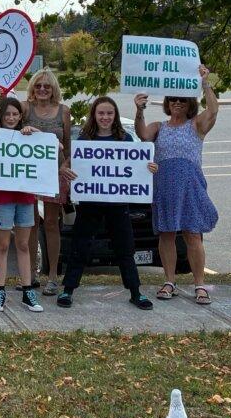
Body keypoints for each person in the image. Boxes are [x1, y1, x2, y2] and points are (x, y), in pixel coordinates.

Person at [59, 97, 155, 310]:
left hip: (118, 203)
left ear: (115, 116)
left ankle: (135, 292)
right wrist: (64, 169)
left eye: (109, 113)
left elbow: (139, 165)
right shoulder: (84, 140)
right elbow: (67, 165)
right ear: (94, 115)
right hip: (90, 202)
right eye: (101, 113)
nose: (105, 117)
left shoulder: (125, 139)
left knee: (125, 248)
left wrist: (148, 169)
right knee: (80, 246)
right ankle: (68, 289)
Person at [134, 64, 219, 305]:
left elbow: (213, 111)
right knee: (167, 234)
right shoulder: (159, 127)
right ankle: (169, 280)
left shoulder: (196, 125)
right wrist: (139, 110)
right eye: (173, 99)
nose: (177, 103)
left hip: (190, 186)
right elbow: (142, 134)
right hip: (164, 187)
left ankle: (199, 284)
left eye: (182, 99)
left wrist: (205, 83)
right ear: (168, 103)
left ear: (190, 102)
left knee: (193, 234)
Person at [0, 97, 45, 314]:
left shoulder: (27, 136)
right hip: (2, 197)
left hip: (25, 197)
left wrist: (35, 131)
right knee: (2, 244)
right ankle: (0, 291)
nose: (11, 118)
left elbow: (55, 145)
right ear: (0, 115)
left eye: (15, 114)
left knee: (22, 244)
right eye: (7, 114)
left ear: (21, 116)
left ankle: (27, 291)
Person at [22, 68, 72, 296]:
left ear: (53, 89)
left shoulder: (63, 112)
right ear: (32, 87)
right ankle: (30, 274)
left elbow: (70, 147)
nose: (42, 89)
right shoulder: (25, 109)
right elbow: (7, 128)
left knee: (51, 223)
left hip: (54, 174)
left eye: (47, 86)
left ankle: (52, 276)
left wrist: (65, 165)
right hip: (28, 173)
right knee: (30, 224)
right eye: (38, 85)